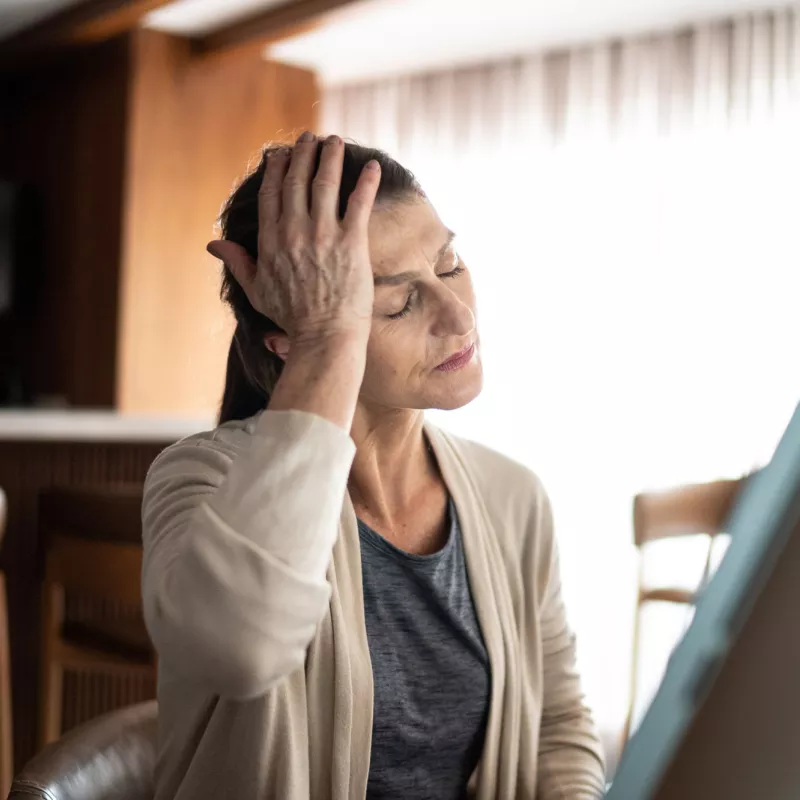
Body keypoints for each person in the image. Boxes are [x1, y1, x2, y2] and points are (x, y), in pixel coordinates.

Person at [141, 131, 606, 800]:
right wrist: (327, 339)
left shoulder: (513, 497)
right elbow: (238, 650)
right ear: (287, 341)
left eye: (449, 264)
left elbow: (556, 723)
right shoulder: (200, 481)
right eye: (395, 302)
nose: (457, 315)